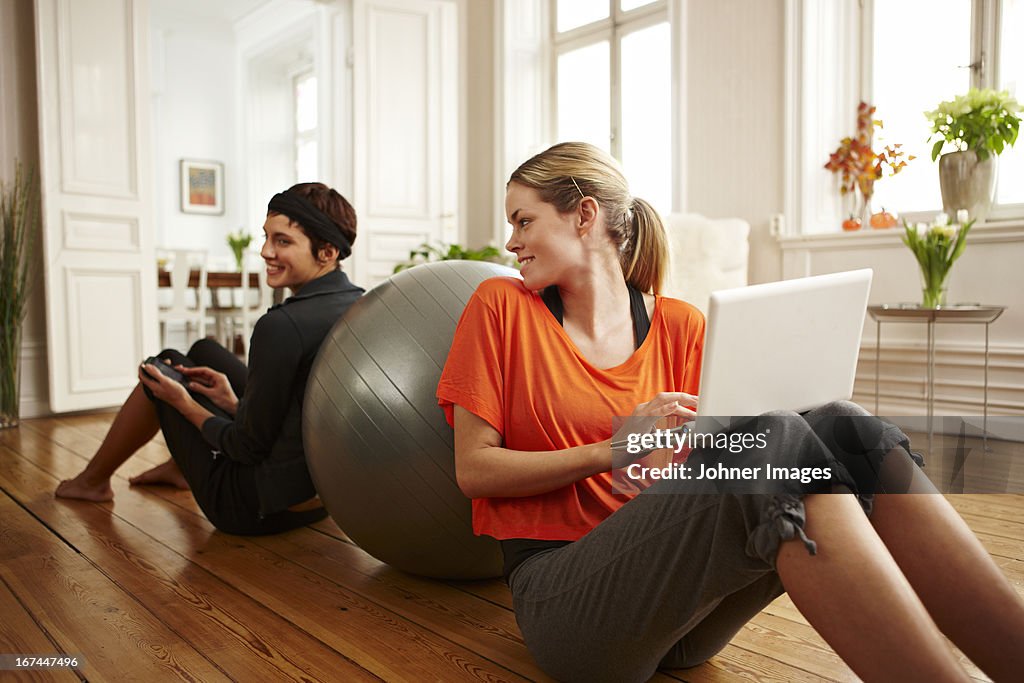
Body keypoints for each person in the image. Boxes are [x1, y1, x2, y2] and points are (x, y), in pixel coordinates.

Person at [437, 142, 1024, 682]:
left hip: (685, 615)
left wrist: (681, 454)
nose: (511, 241)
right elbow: (475, 470)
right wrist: (614, 450)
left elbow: (704, 473)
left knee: (840, 427)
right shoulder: (500, 308)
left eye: (523, 220)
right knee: (776, 447)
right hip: (568, 606)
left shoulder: (681, 325)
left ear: (584, 216)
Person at [56, 182, 364, 535]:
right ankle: (178, 466)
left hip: (251, 508)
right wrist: (234, 404)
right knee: (203, 351)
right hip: (319, 501)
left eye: (283, 241)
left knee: (161, 370)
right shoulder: (360, 303)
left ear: (327, 252)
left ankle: (92, 482)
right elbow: (301, 410)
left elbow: (246, 448)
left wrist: (182, 404)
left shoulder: (282, 326)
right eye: (266, 237)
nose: (265, 251)